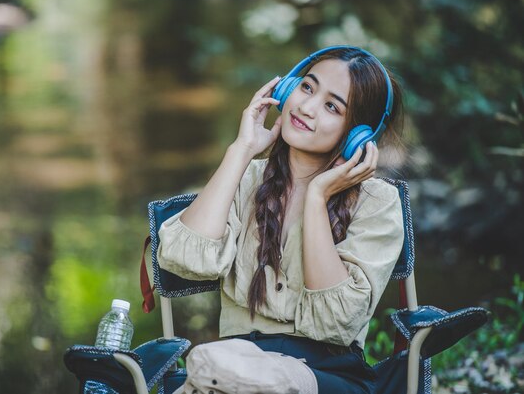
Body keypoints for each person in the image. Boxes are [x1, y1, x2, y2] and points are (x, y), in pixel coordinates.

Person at [157, 45, 405, 394]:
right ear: (287, 88)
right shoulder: (246, 179)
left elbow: (333, 323)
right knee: (222, 375)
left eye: (332, 106)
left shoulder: (378, 202)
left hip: (324, 378)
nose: (306, 107)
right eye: (306, 87)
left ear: (356, 135)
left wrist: (318, 197)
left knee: (218, 374)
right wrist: (242, 149)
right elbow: (184, 259)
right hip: (234, 368)